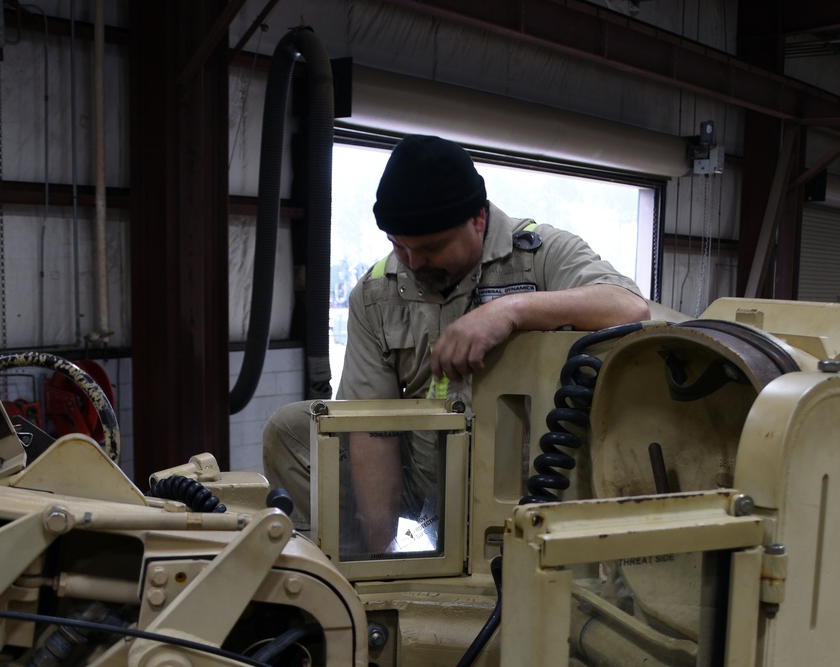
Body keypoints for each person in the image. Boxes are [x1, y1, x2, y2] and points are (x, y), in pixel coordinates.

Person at [263, 135, 649, 550]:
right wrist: (378, 561)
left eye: (431, 247)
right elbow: (370, 428)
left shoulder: (541, 254)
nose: (413, 263)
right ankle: (339, 575)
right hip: (424, 473)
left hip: (531, 472)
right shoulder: (377, 293)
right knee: (292, 430)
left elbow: (627, 306)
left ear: (478, 219)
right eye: (399, 245)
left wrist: (511, 311)